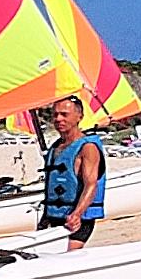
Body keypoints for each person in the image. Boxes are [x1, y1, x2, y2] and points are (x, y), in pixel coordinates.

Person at [36, 94, 107, 248]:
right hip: (54, 214)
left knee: (67, 258)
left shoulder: (87, 147)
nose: (58, 119)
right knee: (46, 257)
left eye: (64, 114)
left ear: (79, 117)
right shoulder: (55, 147)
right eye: (55, 115)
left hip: (78, 218)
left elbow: (91, 185)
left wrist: (77, 214)